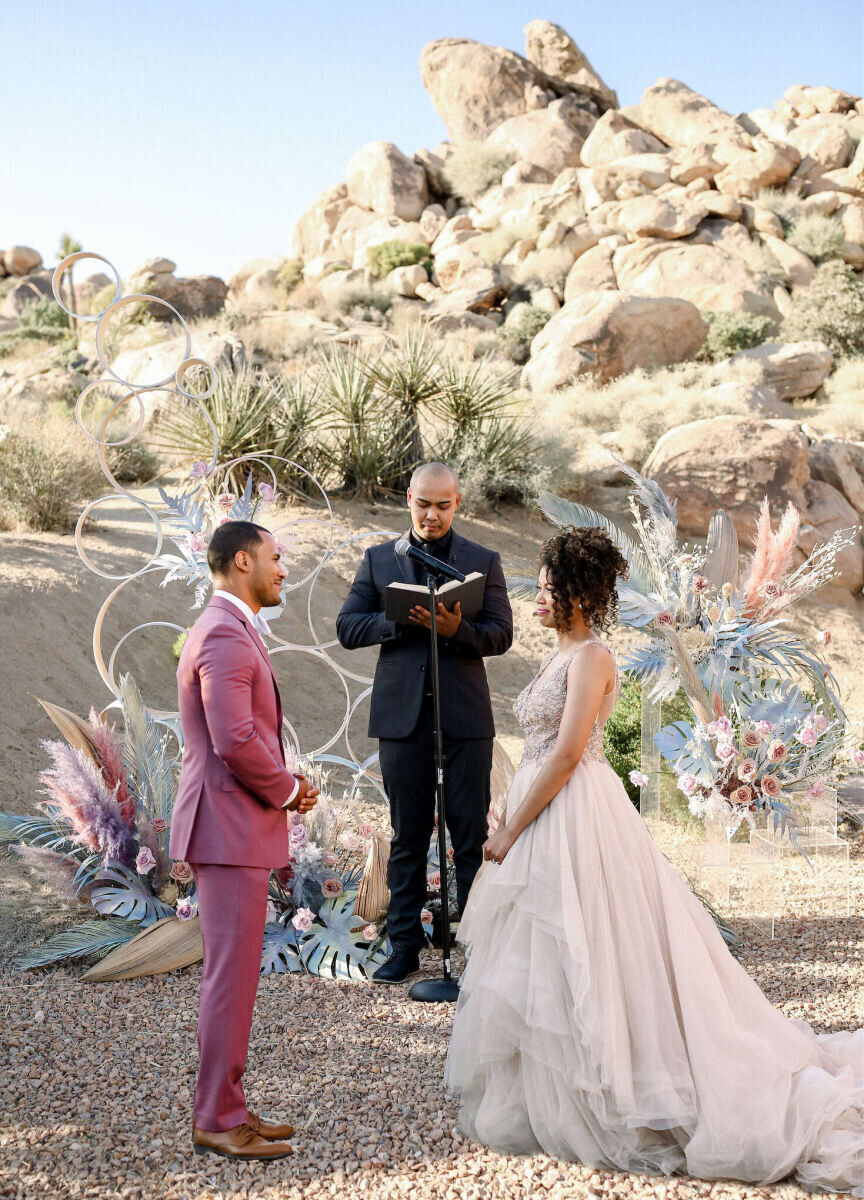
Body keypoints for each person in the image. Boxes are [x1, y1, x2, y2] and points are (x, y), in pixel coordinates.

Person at [445, 526, 864, 1195]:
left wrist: (511, 829)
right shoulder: (556, 657)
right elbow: (536, 752)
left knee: (597, 943)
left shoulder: (591, 658)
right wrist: (508, 805)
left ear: (580, 596)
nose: (540, 599)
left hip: (578, 816)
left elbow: (567, 751)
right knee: (547, 948)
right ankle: (551, 1087)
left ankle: (620, 1081)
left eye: (551, 589)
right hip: (540, 807)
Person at [170, 520, 319, 1161]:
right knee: (229, 980)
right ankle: (217, 1119)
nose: (283, 570)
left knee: (235, 977)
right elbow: (233, 740)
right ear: (241, 562)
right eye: (275, 558)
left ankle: (227, 1105)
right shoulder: (226, 635)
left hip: (233, 825)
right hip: (228, 826)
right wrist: (286, 791)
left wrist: (286, 786)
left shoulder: (230, 630)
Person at [336, 462, 513, 984]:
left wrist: (458, 628)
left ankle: (479, 947)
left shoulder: (482, 560)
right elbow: (348, 627)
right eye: (422, 504)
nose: (431, 515)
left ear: (457, 504)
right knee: (407, 835)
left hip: (463, 720)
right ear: (407, 499)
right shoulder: (376, 560)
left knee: (470, 835)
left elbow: (501, 634)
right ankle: (405, 946)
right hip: (403, 719)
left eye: (442, 506)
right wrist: (398, 619)